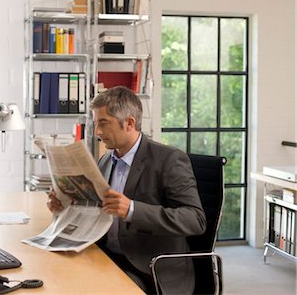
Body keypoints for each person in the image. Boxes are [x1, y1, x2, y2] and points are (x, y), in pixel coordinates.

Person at [47, 86, 206, 294]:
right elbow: (96, 209)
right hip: (108, 257)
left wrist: (132, 209)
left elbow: (195, 220)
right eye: (96, 124)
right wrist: (64, 206)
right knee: (55, 278)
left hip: (149, 268)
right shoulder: (106, 160)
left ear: (129, 123)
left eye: (104, 123)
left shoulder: (169, 160)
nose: (98, 133)